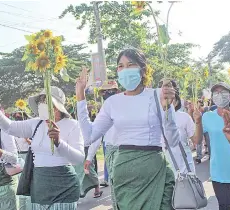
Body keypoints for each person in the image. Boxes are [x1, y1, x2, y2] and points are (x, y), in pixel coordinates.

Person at [76, 48, 180, 209]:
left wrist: (168, 111)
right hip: (124, 173)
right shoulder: (112, 103)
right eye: (120, 66)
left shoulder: (159, 95)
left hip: (156, 171)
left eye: (130, 65)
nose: (125, 70)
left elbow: (173, 141)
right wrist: (80, 96)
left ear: (143, 69)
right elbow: (89, 136)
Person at [0, 83, 85, 210]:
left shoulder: (72, 125)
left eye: (45, 100)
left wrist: (59, 142)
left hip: (64, 186)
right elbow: (9, 127)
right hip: (39, 187)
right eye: (40, 101)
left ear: (57, 106)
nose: (41, 104)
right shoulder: (36, 124)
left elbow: (79, 158)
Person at [193, 82, 230, 210]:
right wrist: (197, 122)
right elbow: (197, 141)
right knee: (224, 207)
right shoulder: (208, 116)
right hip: (218, 172)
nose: (220, 95)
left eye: (223, 92)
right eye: (216, 93)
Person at [77, 80, 119, 209]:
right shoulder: (104, 111)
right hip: (111, 150)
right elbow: (95, 136)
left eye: (110, 91)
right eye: (105, 92)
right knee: (116, 184)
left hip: (130, 149)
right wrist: (89, 157)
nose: (107, 94)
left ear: (117, 91)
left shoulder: (126, 105)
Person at [74, 103, 103, 199]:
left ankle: (97, 188)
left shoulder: (94, 125)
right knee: (78, 171)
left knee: (89, 170)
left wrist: (90, 155)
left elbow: (96, 141)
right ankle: (78, 192)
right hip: (79, 150)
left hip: (88, 150)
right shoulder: (76, 125)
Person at [164, 89, 197, 174]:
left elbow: (196, 140)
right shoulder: (157, 118)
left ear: (177, 102)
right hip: (165, 165)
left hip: (184, 165)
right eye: (165, 98)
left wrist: (199, 122)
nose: (169, 101)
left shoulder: (184, 117)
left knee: (187, 186)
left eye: (172, 98)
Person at [12, 110, 33, 210]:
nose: (18, 119)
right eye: (16, 118)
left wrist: (28, 140)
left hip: (28, 157)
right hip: (18, 157)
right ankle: (22, 206)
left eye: (19, 117)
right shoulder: (13, 133)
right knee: (20, 182)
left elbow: (34, 145)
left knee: (28, 180)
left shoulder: (29, 130)